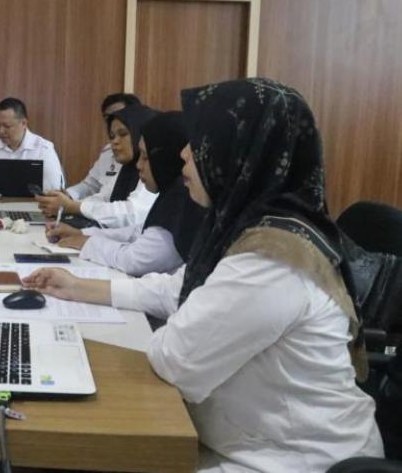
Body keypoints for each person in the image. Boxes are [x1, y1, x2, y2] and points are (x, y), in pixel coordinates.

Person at [24, 78, 383, 470]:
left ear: (239, 152)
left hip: (292, 461)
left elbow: (174, 359)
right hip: (248, 440)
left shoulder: (271, 260)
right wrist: (78, 287)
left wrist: (173, 319)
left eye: (199, 142)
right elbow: (176, 289)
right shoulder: (250, 226)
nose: (183, 153)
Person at [47, 110, 204, 276]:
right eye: (112, 136)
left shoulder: (182, 197)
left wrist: (86, 241)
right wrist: (82, 233)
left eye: (146, 157)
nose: (138, 165)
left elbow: (136, 260)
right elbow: (139, 231)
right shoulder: (168, 189)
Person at [35, 93, 157, 228]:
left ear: (139, 132)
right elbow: (103, 197)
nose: (115, 142)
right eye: (112, 136)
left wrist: (72, 207)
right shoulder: (127, 167)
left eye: (123, 134)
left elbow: (131, 214)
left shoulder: (155, 168)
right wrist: (64, 204)